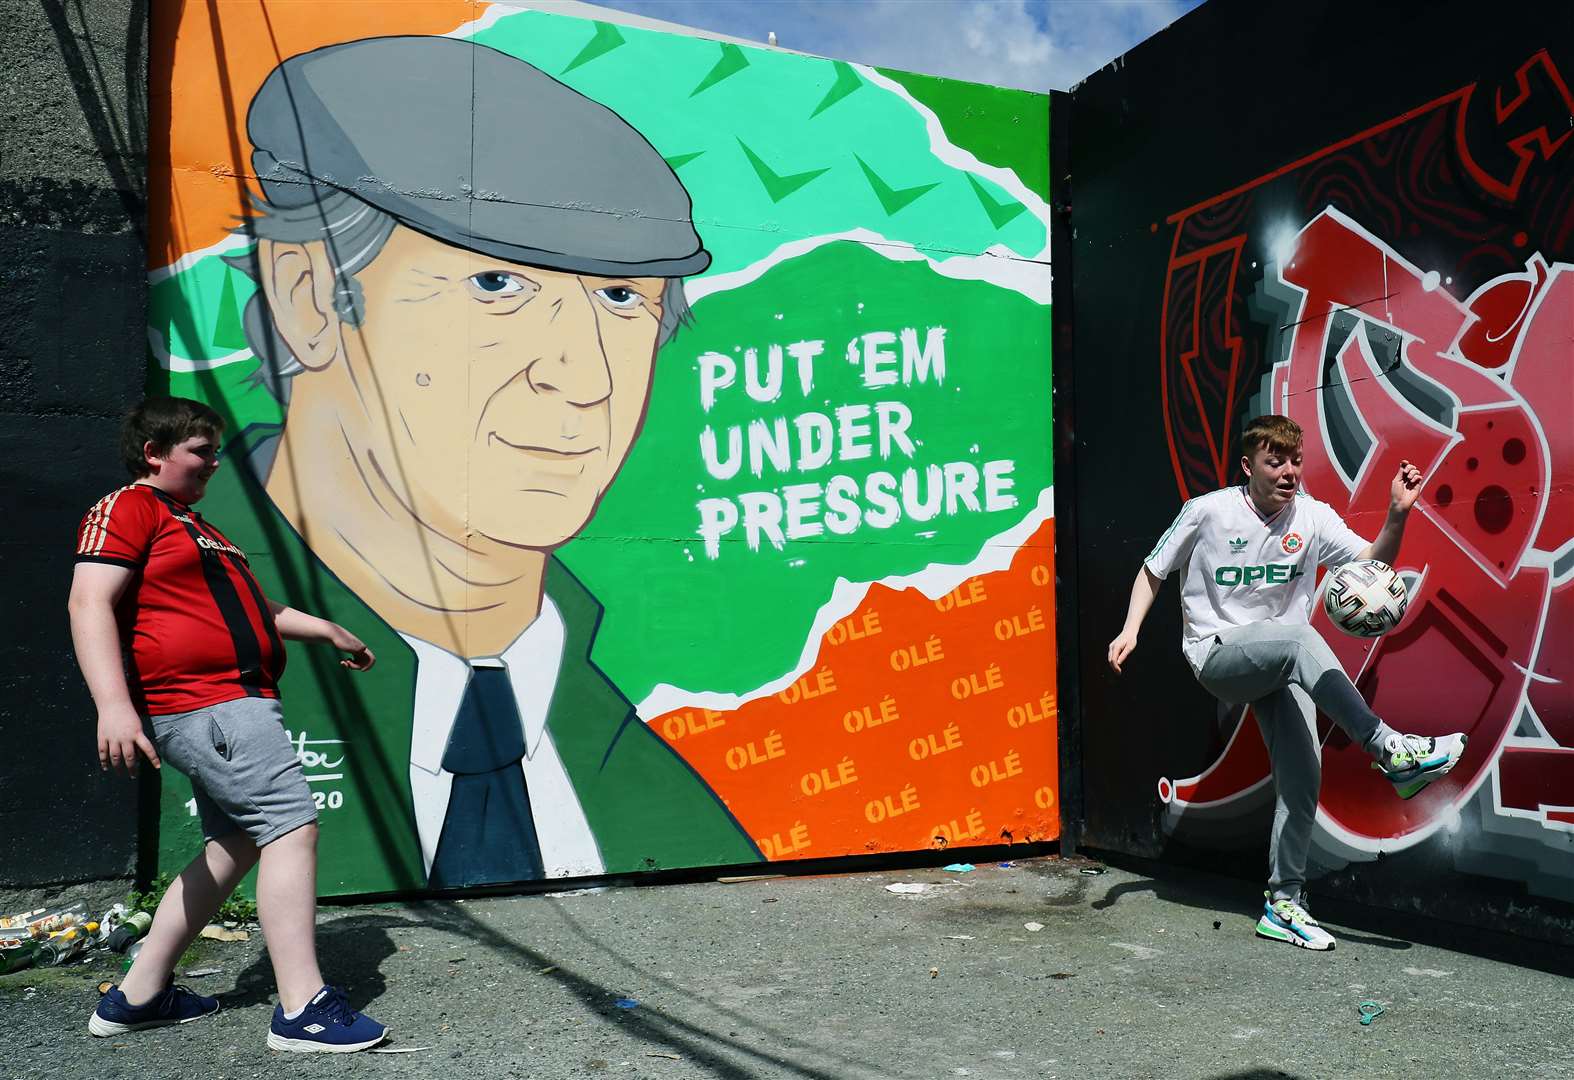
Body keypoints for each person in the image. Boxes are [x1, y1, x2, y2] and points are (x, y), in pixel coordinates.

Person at [206, 34, 759, 890]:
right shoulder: (199, 631)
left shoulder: (668, 801)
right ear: (309, 299)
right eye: (497, 285)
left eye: (621, 299)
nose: (582, 378)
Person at [72, 396, 389, 1052]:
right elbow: (88, 600)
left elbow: (256, 607)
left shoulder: (194, 527)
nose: (213, 463)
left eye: (215, 451)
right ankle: (302, 1008)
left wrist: (327, 630)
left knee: (239, 843)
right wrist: (112, 704)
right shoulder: (128, 507)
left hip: (229, 703)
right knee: (290, 826)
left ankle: (140, 995)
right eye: (199, 451)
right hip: (205, 703)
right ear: (153, 452)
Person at [1106, 414, 1467, 951]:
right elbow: (1153, 570)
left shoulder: (1312, 517)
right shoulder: (1207, 513)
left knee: (1303, 782)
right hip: (1219, 656)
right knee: (1299, 638)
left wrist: (1397, 514)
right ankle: (1389, 748)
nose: (1289, 471)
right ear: (1249, 466)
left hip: (1281, 663)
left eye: (1296, 460)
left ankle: (1284, 904)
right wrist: (1130, 628)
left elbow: (1371, 567)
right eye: (1276, 462)